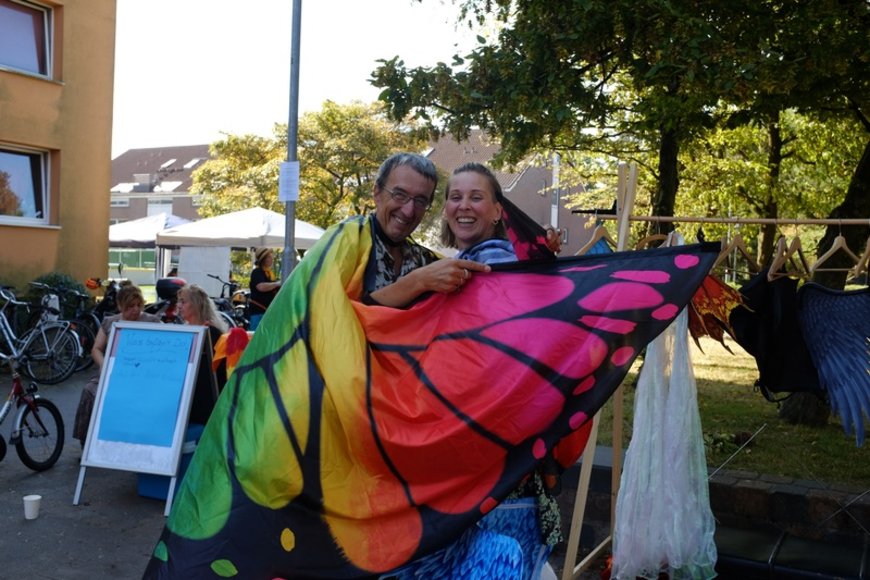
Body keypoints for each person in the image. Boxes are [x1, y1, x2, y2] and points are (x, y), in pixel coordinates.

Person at [72, 282, 161, 446]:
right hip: (112, 373)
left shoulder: (152, 322)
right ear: (120, 306)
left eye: (138, 305)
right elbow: (96, 349)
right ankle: (87, 443)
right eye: (129, 306)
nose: (135, 310)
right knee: (89, 391)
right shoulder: (110, 322)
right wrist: (104, 365)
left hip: (141, 375)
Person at [177, 284, 229, 424]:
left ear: (196, 304)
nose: (179, 306)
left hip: (204, 407)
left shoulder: (211, 333)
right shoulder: (188, 331)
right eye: (179, 301)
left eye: (183, 301)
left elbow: (210, 377)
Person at [248, 247, 281, 330]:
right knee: (256, 337)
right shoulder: (257, 272)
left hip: (267, 312)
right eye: (269, 257)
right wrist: (277, 283)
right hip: (258, 313)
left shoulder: (269, 273)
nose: (272, 259)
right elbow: (261, 287)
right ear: (263, 260)